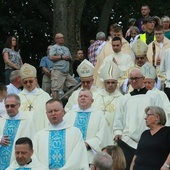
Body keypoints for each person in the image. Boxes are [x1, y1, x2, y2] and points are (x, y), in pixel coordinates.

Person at [113, 68, 163, 170]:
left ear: (143, 79)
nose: (134, 81)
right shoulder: (124, 99)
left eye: (136, 78)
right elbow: (118, 117)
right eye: (131, 79)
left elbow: (160, 117)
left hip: (149, 140)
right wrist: (117, 131)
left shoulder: (154, 96)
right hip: (128, 140)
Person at [33, 99, 89, 169]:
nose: (53, 113)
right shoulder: (39, 136)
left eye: (56, 110)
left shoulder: (75, 132)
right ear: (46, 114)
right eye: (50, 111)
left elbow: (78, 157)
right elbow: (34, 159)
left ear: (63, 112)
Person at [64, 89, 112, 164]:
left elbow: (102, 134)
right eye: (80, 96)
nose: (82, 98)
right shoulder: (69, 115)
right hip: (71, 155)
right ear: (77, 100)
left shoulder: (99, 115)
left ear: (92, 101)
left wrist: (88, 144)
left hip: (90, 155)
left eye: (85, 96)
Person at [0, 94, 36, 169]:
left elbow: (31, 142)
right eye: (7, 106)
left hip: (17, 160)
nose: (9, 108)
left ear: (19, 105)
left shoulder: (27, 121)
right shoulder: (1, 120)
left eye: (12, 106)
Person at [18, 63, 51, 132]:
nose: (28, 84)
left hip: (40, 131)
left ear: (36, 81)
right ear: (22, 82)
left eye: (30, 81)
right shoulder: (18, 97)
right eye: (25, 82)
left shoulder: (45, 96)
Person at [93, 60, 123, 134]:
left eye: (113, 82)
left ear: (116, 83)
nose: (110, 85)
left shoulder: (122, 99)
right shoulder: (95, 96)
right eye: (108, 82)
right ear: (104, 83)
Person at [49, 33, 78, 99]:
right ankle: (55, 104)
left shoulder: (66, 49)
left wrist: (69, 58)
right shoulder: (54, 47)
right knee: (55, 89)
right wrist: (62, 57)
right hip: (58, 71)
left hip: (66, 72)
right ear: (56, 39)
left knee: (75, 84)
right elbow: (51, 57)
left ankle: (69, 101)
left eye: (63, 37)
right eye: (60, 38)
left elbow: (71, 59)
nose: (62, 39)